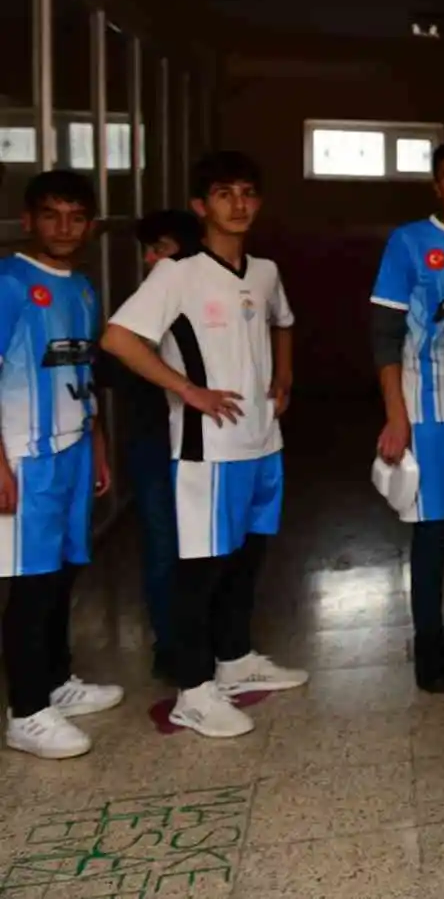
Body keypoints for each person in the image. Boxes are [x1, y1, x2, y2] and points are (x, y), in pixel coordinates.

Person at [102, 151, 306, 739]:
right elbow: (118, 338)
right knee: (202, 570)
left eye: (248, 192)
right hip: (207, 450)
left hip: (263, 440)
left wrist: (282, 377)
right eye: (224, 193)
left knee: (248, 559)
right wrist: (186, 389)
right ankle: (193, 690)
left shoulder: (264, 271)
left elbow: (282, 322)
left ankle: (235, 661)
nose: (238, 204)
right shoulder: (177, 272)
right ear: (201, 205)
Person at [1, 171, 122, 759]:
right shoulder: (9, 284)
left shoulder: (81, 288)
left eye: (77, 216)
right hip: (25, 457)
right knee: (32, 583)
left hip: (74, 451)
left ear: (91, 226)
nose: (65, 227)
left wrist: (98, 445)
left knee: (66, 572)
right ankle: (26, 712)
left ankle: (54, 681)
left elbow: (84, 376)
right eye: (52, 214)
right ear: (29, 221)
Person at [370, 140, 444, 693]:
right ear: (436, 186)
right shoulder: (409, 242)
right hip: (427, 408)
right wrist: (396, 417)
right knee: (434, 532)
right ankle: (428, 646)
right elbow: (385, 336)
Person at [96, 208, 202, 681]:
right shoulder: (138, 307)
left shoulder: (208, 295)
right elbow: (109, 367)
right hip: (152, 443)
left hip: (202, 444)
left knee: (208, 545)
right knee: (163, 545)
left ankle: (209, 636)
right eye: (148, 249)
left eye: (159, 248)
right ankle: (170, 643)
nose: (149, 258)